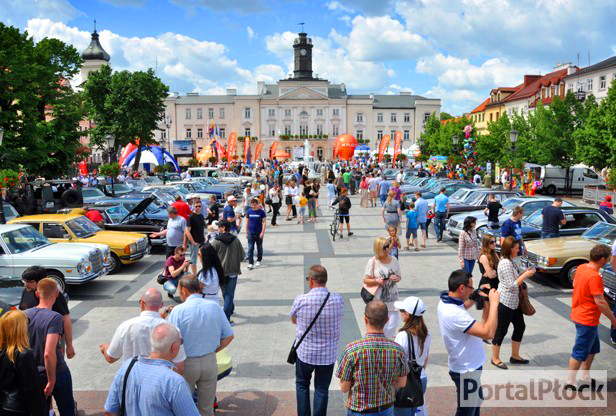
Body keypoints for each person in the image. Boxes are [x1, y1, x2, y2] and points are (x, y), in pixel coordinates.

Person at [168, 276, 234, 416]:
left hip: (186, 363)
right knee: (207, 407)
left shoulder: (178, 311)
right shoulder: (214, 306)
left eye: (179, 289)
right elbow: (229, 335)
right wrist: (214, 350)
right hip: (209, 361)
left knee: (183, 407)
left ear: (184, 290)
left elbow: (171, 341)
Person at [438, 270, 499, 416]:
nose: (472, 289)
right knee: (466, 411)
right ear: (461, 288)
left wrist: (474, 295)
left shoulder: (446, 300)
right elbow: (488, 333)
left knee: (476, 403)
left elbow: (462, 305)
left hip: (469, 367)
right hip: (466, 371)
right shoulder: (455, 314)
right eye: (470, 287)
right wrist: (495, 304)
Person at [103, 323, 199, 416]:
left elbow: (109, 410)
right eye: (180, 342)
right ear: (174, 347)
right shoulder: (175, 382)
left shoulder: (127, 366)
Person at [336, 300, 409, 415]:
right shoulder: (397, 350)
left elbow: (344, 388)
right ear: (387, 320)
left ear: (365, 319)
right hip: (386, 409)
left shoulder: (352, 349)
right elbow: (402, 383)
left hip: (359, 410)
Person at [290, 265, 345, 416]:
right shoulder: (338, 300)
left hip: (305, 353)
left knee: (302, 385)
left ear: (312, 281)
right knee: (321, 389)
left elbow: (294, 320)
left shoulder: (301, 300)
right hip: (327, 356)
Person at [99, 288, 186, 372]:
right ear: (161, 305)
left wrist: (105, 347)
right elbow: (180, 367)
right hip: (159, 382)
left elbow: (111, 358)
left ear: (141, 303)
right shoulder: (173, 330)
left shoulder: (125, 326)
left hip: (133, 380)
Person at [566, 244, 616, 389]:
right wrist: (613, 319)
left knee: (593, 348)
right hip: (586, 318)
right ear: (601, 259)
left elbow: (576, 284)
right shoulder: (594, 277)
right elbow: (600, 301)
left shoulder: (582, 268)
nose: (608, 262)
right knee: (580, 351)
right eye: (607, 259)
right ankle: (570, 381)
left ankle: (585, 375)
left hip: (582, 315)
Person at [25, 278, 75, 416]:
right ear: (57, 294)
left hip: (35, 373)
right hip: (56, 372)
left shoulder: (24, 315)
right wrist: (51, 381)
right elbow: (48, 352)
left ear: (37, 294)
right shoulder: (55, 318)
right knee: (67, 410)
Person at [491, 236, 535, 369]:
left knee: (520, 326)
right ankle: (495, 358)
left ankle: (515, 356)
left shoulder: (510, 260)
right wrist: (526, 275)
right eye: (516, 248)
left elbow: (515, 276)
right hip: (505, 302)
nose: (518, 250)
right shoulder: (505, 263)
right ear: (509, 249)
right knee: (501, 330)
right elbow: (511, 285)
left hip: (514, 301)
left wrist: (526, 271)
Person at [19, 266, 75, 360]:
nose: (26, 285)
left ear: (41, 281)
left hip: (52, 341)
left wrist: (69, 346)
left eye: (30, 282)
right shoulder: (26, 292)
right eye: (25, 281)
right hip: (30, 342)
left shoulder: (54, 295)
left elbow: (66, 320)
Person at [0, 310, 48, 416]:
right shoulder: (24, 354)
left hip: (4, 406)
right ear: (21, 328)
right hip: (20, 409)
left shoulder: (3, 350)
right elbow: (32, 390)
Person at [393, 297, 431, 416]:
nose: (400, 313)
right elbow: (425, 358)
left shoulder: (403, 335)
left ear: (407, 314)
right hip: (421, 378)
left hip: (405, 381)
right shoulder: (426, 333)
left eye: (401, 310)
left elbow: (396, 362)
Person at [362, 237, 402, 338]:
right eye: (385, 247)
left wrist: (396, 278)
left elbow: (399, 277)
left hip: (393, 300)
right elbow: (366, 279)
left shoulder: (394, 260)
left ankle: (386, 343)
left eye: (388, 246)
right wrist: (376, 281)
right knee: (378, 328)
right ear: (378, 248)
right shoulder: (373, 262)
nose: (388, 249)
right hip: (378, 302)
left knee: (392, 325)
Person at [211, 220, 245, 323]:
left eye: (219, 227)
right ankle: (230, 310)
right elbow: (242, 256)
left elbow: (209, 255)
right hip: (233, 271)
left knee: (226, 294)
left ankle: (226, 319)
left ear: (223, 228)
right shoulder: (236, 240)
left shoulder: (216, 241)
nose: (218, 228)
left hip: (221, 272)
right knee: (229, 294)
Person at [478, 234, 500, 325]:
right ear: (486, 244)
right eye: (492, 242)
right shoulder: (484, 256)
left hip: (495, 285)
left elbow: (497, 271)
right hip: (487, 286)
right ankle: (481, 334)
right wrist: (493, 272)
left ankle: (489, 332)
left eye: (495, 241)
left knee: (494, 312)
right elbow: (491, 275)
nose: (494, 244)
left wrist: (493, 272)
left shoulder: (494, 253)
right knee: (486, 313)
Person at [185, 199, 206, 276]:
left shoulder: (201, 216)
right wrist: (193, 242)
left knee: (204, 258)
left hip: (202, 241)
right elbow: (187, 231)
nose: (198, 208)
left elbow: (202, 228)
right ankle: (194, 276)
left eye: (199, 206)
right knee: (193, 260)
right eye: (196, 206)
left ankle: (204, 274)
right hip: (194, 242)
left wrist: (204, 238)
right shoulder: (191, 216)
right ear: (193, 206)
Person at [245, 198, 267, 270]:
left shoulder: (261, 212)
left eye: (254, 205)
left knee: (259, 247)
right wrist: (246, 232)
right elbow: (247, 222)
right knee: (250, 248)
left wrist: (262, 232)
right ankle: (250, 263)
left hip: (258, 233)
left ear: (257, 204)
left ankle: (258, 260)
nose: (253, 206)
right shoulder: (249, 212)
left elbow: (264, 222)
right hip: (251, 233)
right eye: (252, 205)